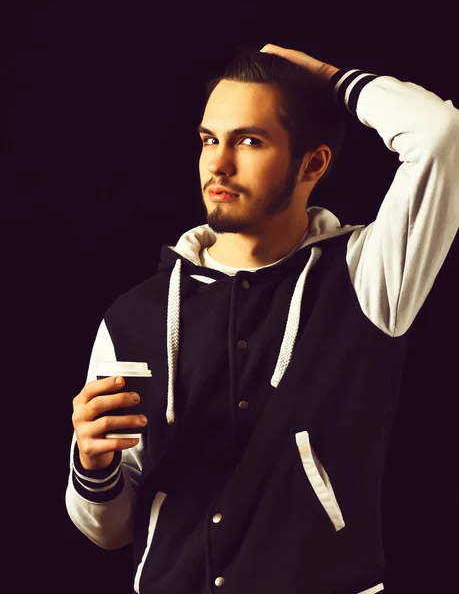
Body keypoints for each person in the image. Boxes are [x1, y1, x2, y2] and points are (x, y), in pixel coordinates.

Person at [65, 43, 459, 594]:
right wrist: (93, 467)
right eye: (209, 140)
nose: (218, 164)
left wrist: (328, 77)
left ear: (313, 163)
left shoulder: (366, 277)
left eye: (248, 140)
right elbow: (109, 531)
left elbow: (441, 133)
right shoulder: (134, 316)